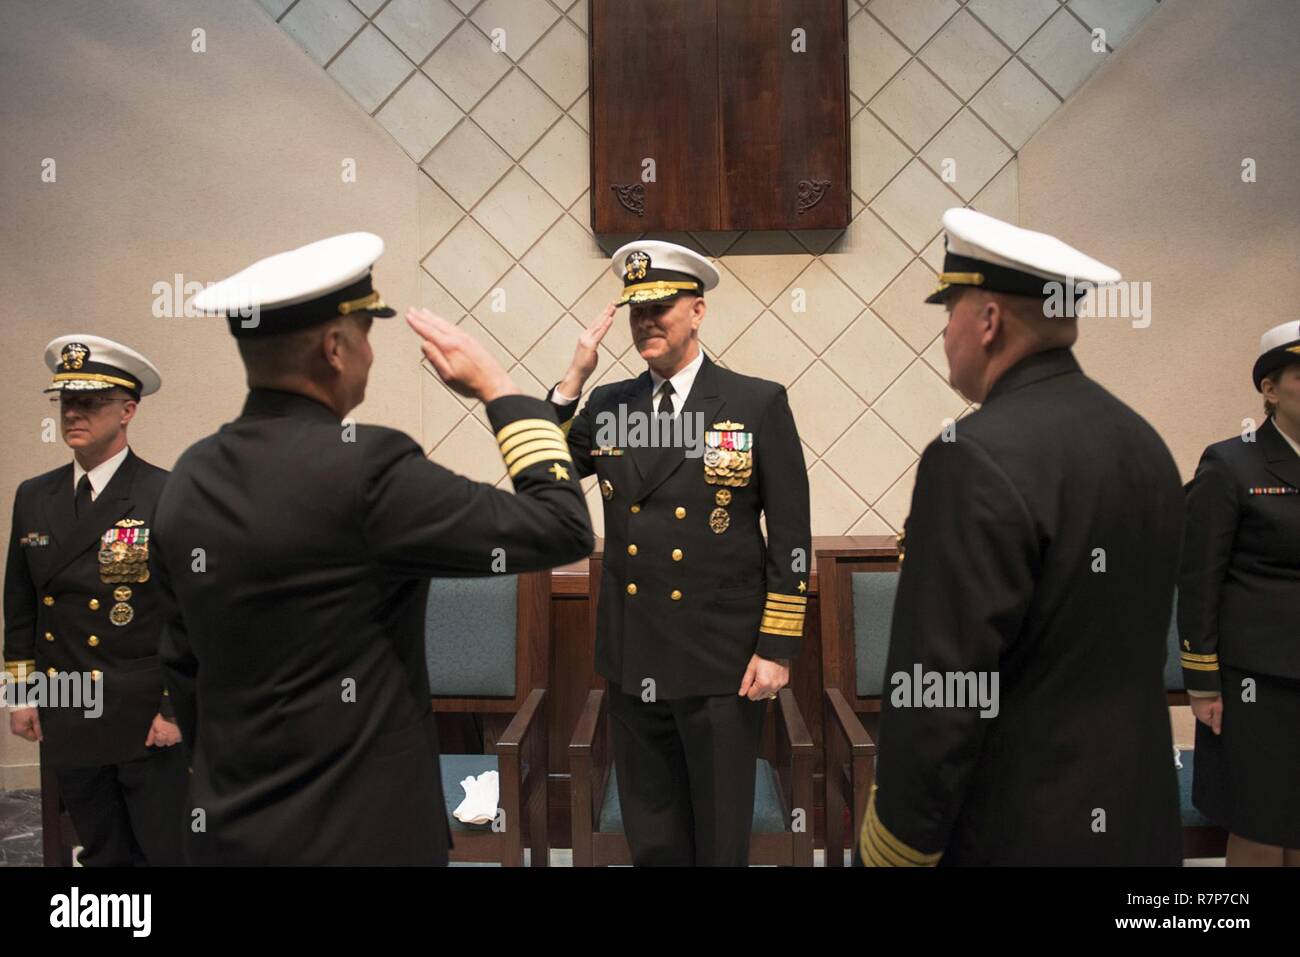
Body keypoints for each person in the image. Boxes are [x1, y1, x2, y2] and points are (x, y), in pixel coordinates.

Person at [154, 232, 593, 865]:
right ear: (334, 348)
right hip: (366, 833)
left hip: (232, 830)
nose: (369, 352)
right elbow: (560, 525)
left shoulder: (188, 478)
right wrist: (499, 389)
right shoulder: (369, 469)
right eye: (365, 333)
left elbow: (182, 662)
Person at [858, 208, 1183, 866]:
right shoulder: (1144, 442)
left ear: (987, 320)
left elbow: (942, 686)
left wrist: (895, 844)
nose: (944, 332)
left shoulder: (973, 456)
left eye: (949, 310)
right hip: (1137, 820)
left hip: (1016, 828)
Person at [547, 240, 811, 865]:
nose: (647, 322)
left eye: (661, 307)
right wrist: (572, 380)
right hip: (634, 650)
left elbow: (792, 538)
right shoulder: (610, 405)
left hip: (723, 661)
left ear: (697, 311)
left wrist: (776, 649)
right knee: (654, 837)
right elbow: (539, 474)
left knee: (720, 839)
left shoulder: (754, 402)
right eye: (637, 310)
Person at [4, 336, 186, 865]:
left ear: (128, 411)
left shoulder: (165, 492)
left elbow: (191, 615)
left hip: (143, 710)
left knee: (164, 848)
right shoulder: (35, 495)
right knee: (102, 848)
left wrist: (175, 708)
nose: (74, 413)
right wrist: (20, 694)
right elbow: (21, 604)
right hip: (68, 703)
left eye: (90, 402)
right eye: (66, 402)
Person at [1179, 319, 1300, 866]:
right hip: (1257, 680)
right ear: (1269, 390)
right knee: (1260, 819)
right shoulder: (1231, 462)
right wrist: (1203, 683)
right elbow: (1200, 577)